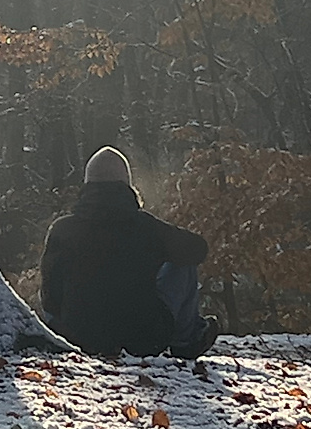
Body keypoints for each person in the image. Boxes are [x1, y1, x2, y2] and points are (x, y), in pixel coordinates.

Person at [39, 146, 219, 358]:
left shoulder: (62, 229)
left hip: (80, 338)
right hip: (144, 339)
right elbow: (198, 249)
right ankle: (186, 341)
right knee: (182, 259)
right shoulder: (145, 227)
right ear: (127, 184)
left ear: (87, 185)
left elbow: (50, 297)